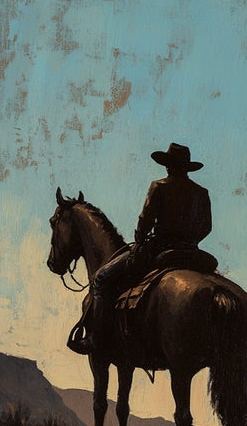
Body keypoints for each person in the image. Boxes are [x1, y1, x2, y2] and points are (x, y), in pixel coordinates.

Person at [68, 143, 212, 354]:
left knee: (101, 278)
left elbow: (145, 221)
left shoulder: (159, 187)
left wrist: (140, 240)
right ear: (186, 167)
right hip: (192, 252)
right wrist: (190, 241)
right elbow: (206, 227)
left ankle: (96, 341)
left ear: (168, 166)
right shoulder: (201, 192)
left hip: (159, 249)